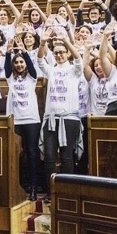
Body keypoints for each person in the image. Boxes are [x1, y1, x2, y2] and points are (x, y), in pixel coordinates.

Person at [38, 30, 82, 193]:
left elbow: (78, 59)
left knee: (67, 156)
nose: (59, 55)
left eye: (62, 52)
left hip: (69, 119)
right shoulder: (52, 70)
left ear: (67, 53)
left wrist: (66, 40)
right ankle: (51, 192)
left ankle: (67, 191)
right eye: (56, 53)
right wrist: (42, 43)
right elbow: (40, 60)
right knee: (49, 157)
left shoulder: (74, 70)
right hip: (51, 119)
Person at [4, 44, 41, 200]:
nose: (19, 65)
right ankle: (20, 185)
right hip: (16, 120)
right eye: (16, 62)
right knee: (17, 155)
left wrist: (24, 52)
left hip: (31, 120)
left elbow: (32, 67)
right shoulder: (11, 78)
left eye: (21, 62)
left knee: (32, 153)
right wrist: (7, 53)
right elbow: (6, 67)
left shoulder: (32, 77)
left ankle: (33, 187)